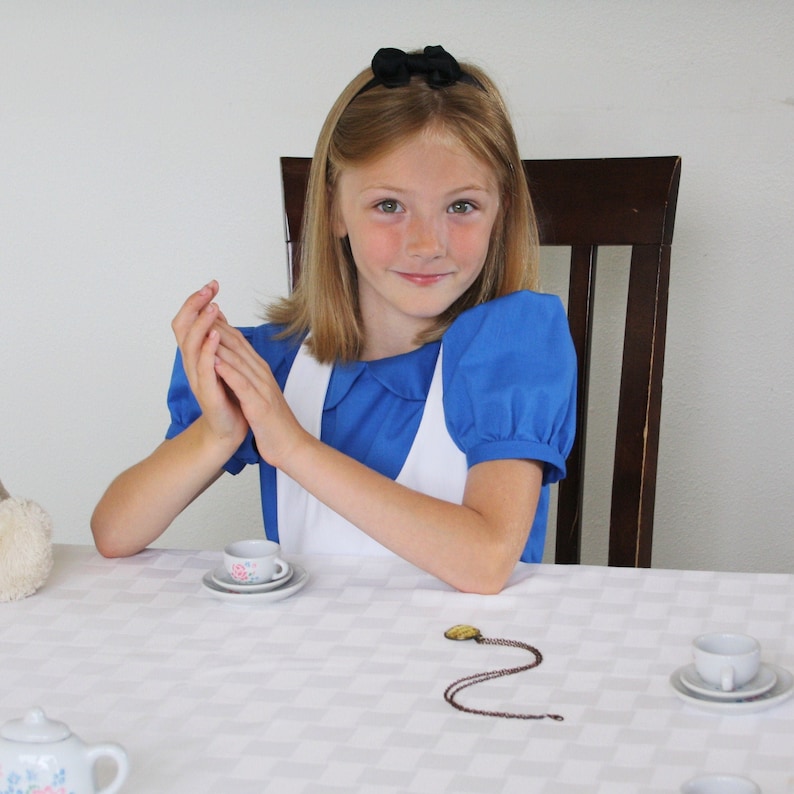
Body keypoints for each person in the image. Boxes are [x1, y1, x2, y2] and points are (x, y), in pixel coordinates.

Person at [91, 45, 577, 594]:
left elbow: (485, 561)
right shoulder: (274, 362)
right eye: (389, 205)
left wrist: (291, 446)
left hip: (469, 665)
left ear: (501, 209)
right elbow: (114, 532)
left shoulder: (516, 348)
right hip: (311, 670)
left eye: (461, 206)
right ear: (333, 210)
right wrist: (217, 434)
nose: (426, 243)